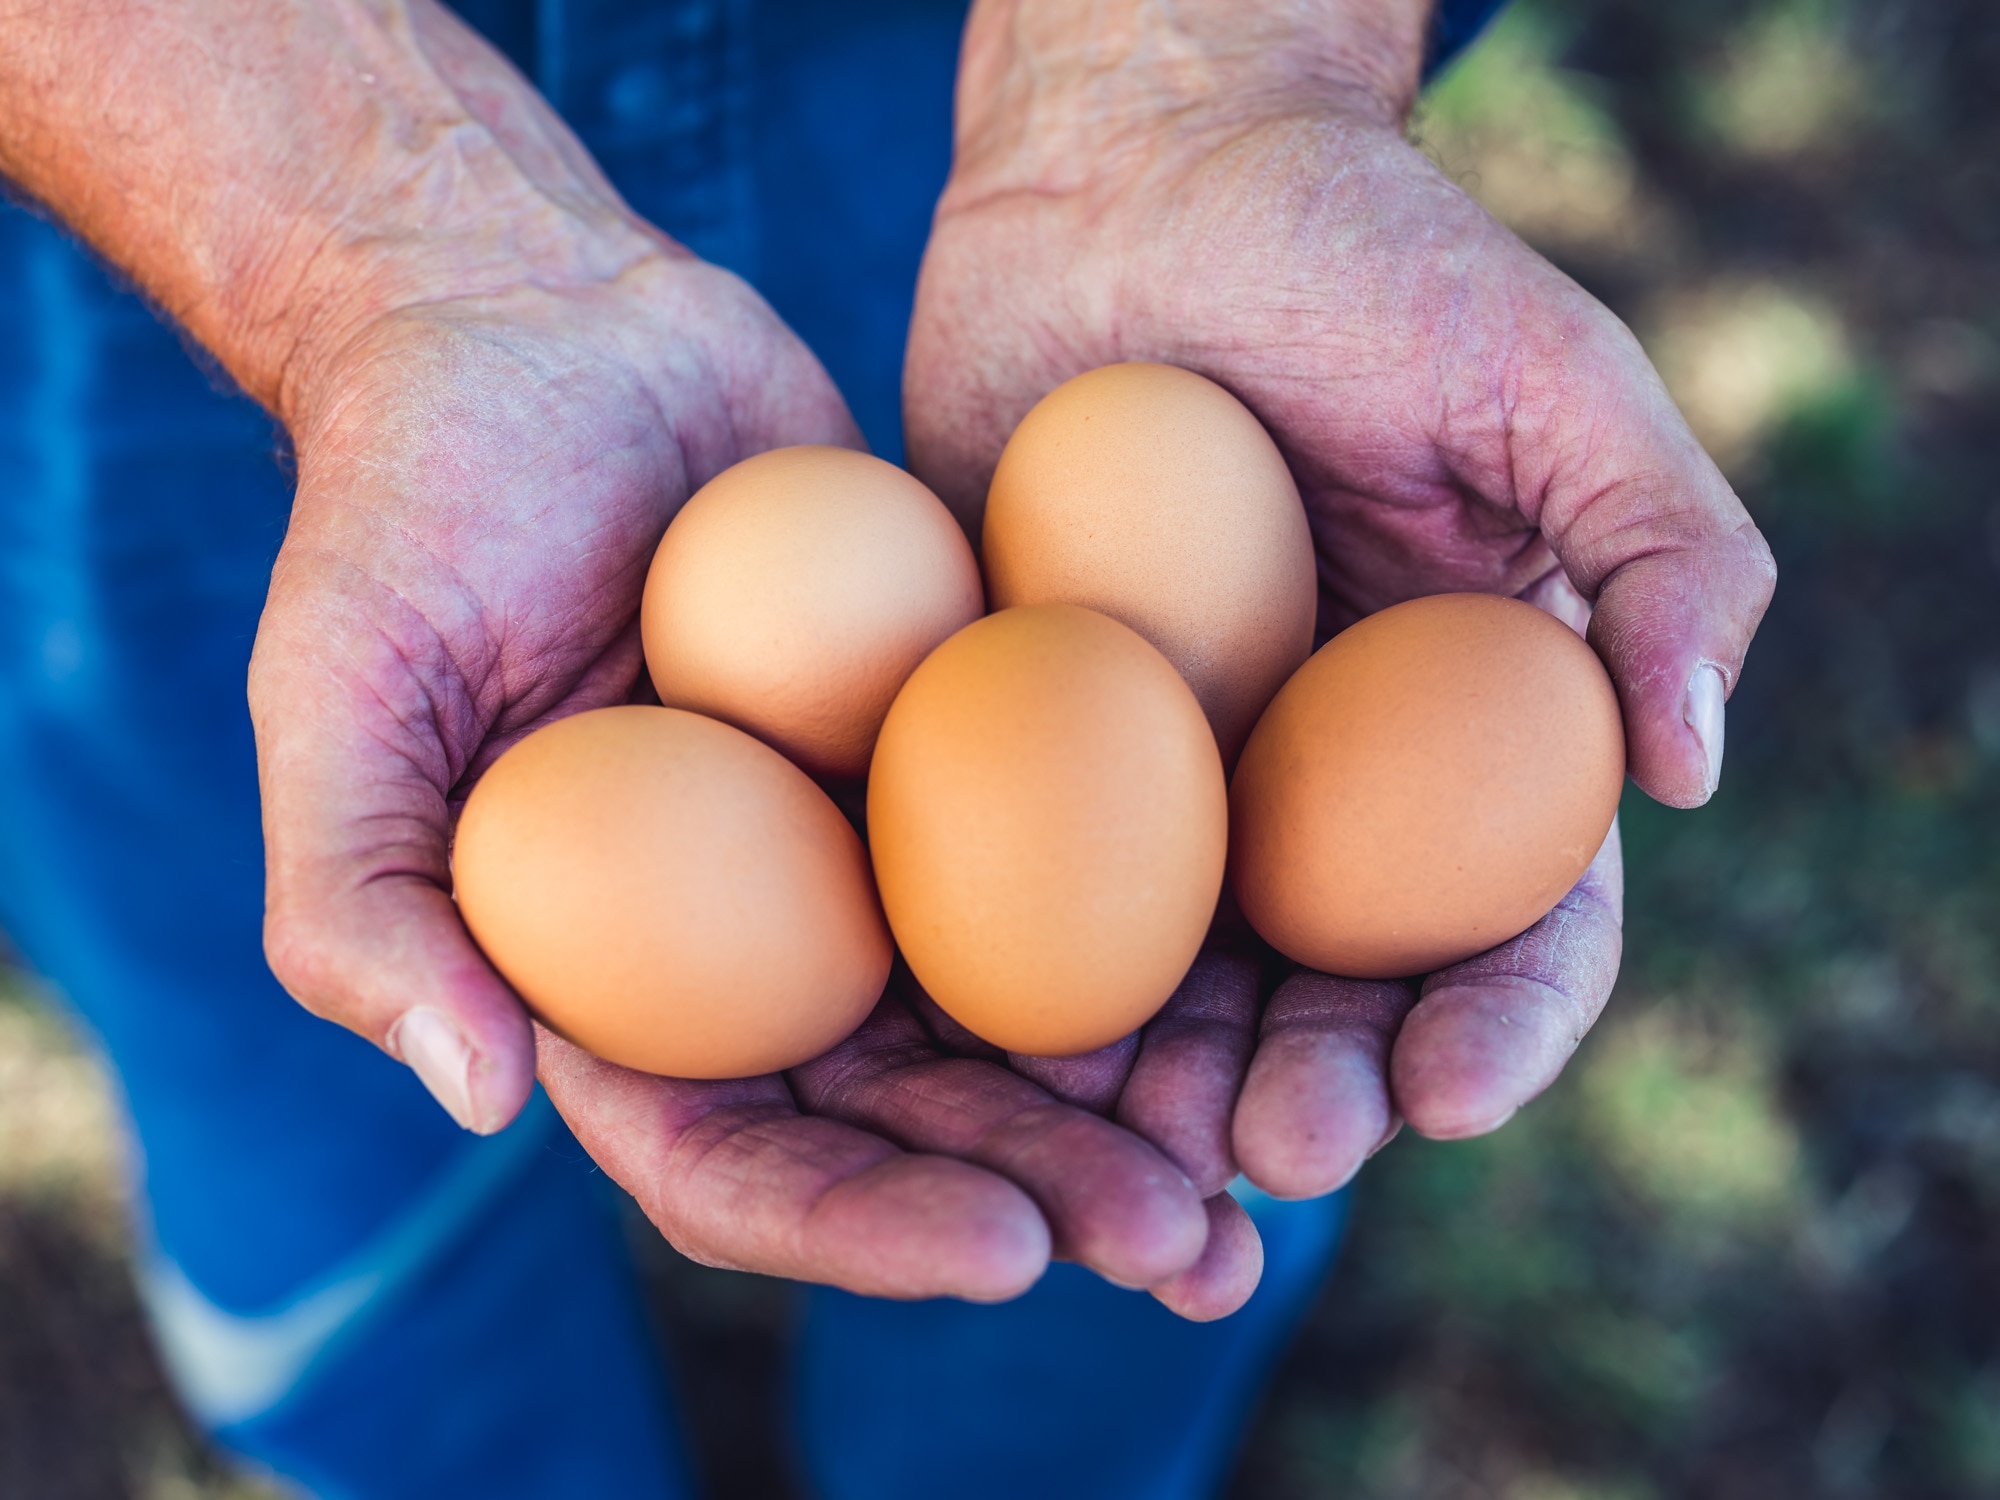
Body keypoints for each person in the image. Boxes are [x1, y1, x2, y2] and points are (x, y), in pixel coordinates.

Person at [0, 0, 1775, 1495]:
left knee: (1125, 1233)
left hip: (961, 134)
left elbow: (1076, 758)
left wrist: (1196, 71)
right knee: (318, 1120)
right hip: (209, 147)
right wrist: (368, 256)